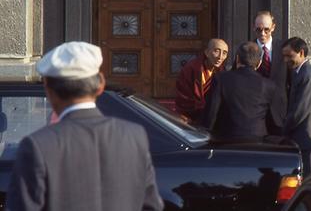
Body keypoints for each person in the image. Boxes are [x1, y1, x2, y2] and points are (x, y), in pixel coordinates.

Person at [7, 42, 163, 211]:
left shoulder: (37, 145)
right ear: (101, 84)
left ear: (49, 90)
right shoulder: (134, 136)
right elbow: (151, 205)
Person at [203, 41, 277, 139]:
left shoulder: (221, 79)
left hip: (227, 140)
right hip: (258, 141)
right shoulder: (269, 85)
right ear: (259, 63)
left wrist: (203, 135)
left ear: (237, 59)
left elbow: (211, 113)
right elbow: (273, 118)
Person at [282, 37, 311, 176]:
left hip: (305, 139)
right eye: (284, 56)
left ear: (301, 53)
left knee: (306, 181)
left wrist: (283, 130)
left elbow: (300, 110)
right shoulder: (299, 72)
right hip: (299, 138)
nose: (286, 60)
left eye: (289, 56)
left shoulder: (308, 76)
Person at [175, 38, 228, 124]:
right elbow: (183, 97)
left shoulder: (222, 72)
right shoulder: (191, 69)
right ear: (206, 52)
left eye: (224, 53)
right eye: (217, 51)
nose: (220, 57)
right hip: (189, 116)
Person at [253, 11, 288, 134]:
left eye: (266, 30)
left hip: (279, 113)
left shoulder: (284, 49)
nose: (262, 33)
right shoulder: (246, 49)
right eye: (258, 30)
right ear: (254, 28)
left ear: (273, 27)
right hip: (255, 113)